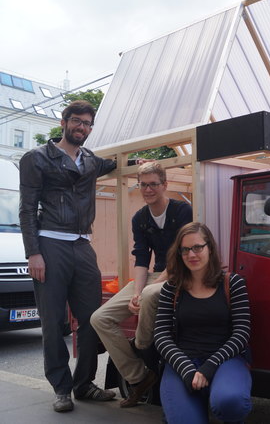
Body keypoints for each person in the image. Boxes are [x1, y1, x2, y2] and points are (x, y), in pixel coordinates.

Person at [19, 100, 118, 412]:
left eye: (88, 123)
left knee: (92, 319)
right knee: (53, 321)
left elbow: (110, 164)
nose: (82, 128)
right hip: (50, 245)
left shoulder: (90, 160)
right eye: (77, 121)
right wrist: (33, 253)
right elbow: (26, 209)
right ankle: (61, 388)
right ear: (64, 123)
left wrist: (138, 161)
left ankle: (84, 384)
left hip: (82, 245)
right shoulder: (36, 158)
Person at [91, 161, 192, 407]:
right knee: (100, 318)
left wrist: (147, 288)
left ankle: (142, 344)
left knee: (149, 294)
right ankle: (140, 377)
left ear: (164, 185)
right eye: (143, 185)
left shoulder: (182, 211)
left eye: (153, 184)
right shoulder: (140, 218)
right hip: (152, 275)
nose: (147, 190)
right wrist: (137, 292)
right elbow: (142, 257)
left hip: (180, 273)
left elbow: (182, 253)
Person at [154, 222, 252, 424]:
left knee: (230, 402)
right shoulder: (171, 289)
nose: (192, 254)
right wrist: (187, 370)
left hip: (226, 360)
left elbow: (242, 333)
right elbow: (161, 336)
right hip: (182, 362)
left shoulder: (232, 283)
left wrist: (209, 367)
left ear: (210, 248)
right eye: (185, 249)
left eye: (198, 247)